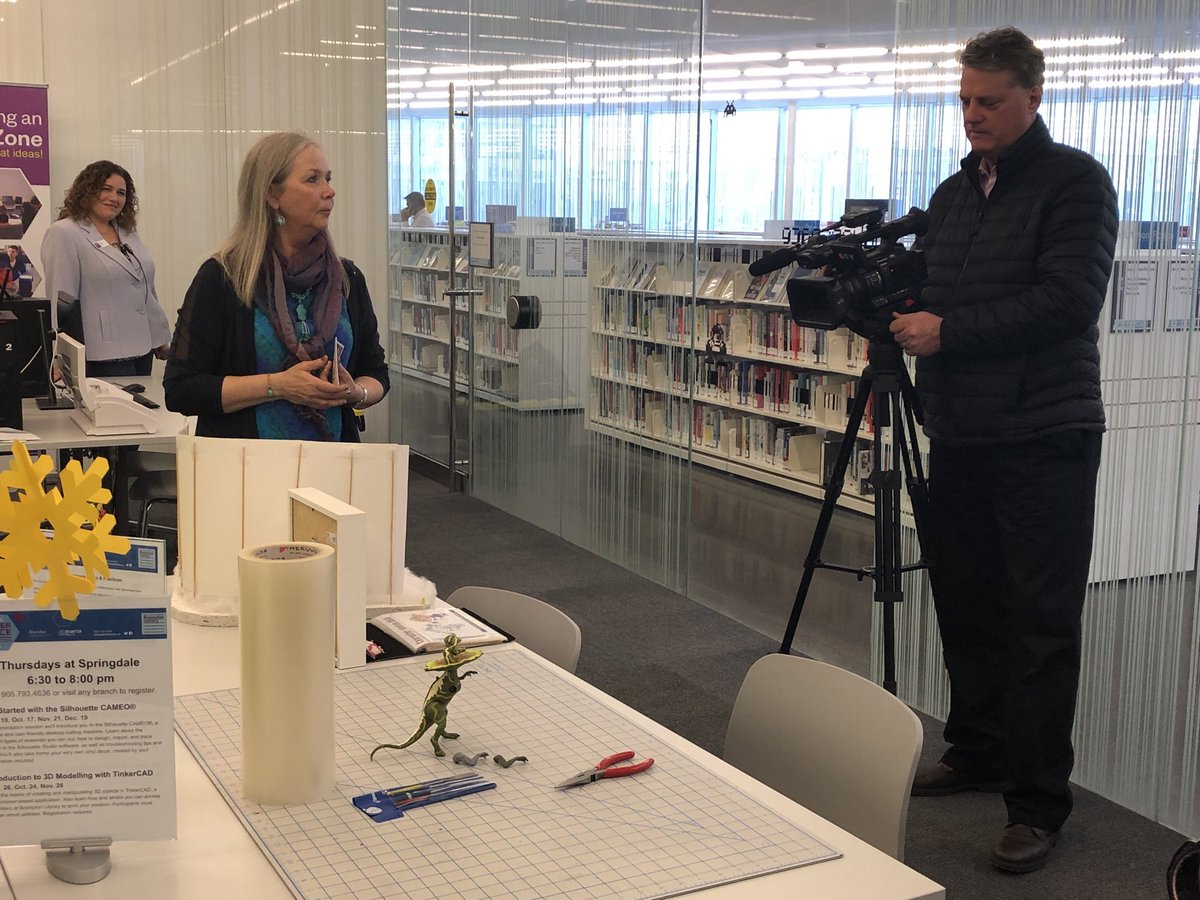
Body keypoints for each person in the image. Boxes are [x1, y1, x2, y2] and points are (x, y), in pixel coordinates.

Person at [889, 27, 1117, 874]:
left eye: (990, 101)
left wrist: (946, 331)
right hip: (963, 432)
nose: (973, 116)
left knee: (1039, 625)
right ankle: (979, 748)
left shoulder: (1076, 184)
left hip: (1044, 436)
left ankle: (1038, 803)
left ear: (1033, 97)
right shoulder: (955, 193)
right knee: (968, 602)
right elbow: (931, 290)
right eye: (965, 101)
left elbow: (1065, 302)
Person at [164, 132, 388, 441]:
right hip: (246, 471)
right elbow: (182, 390)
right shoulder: (224, 278)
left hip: (333, 467)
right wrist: (277, 386)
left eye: (328, 178)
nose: (329, 191)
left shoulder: (346, 278)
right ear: (272, 195)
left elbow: (376, 373)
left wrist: (356, 392)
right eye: (313, 179)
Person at [40, 160, 172, 376]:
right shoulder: (64, 232)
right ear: (88, 190)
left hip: (143, 347)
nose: (114, 198)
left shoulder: (127, 232)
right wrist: (60, 355)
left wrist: (158, 335)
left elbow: (145, 287)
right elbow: (61, 300)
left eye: (121, 192)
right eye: (106, 189)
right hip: (101, 353)